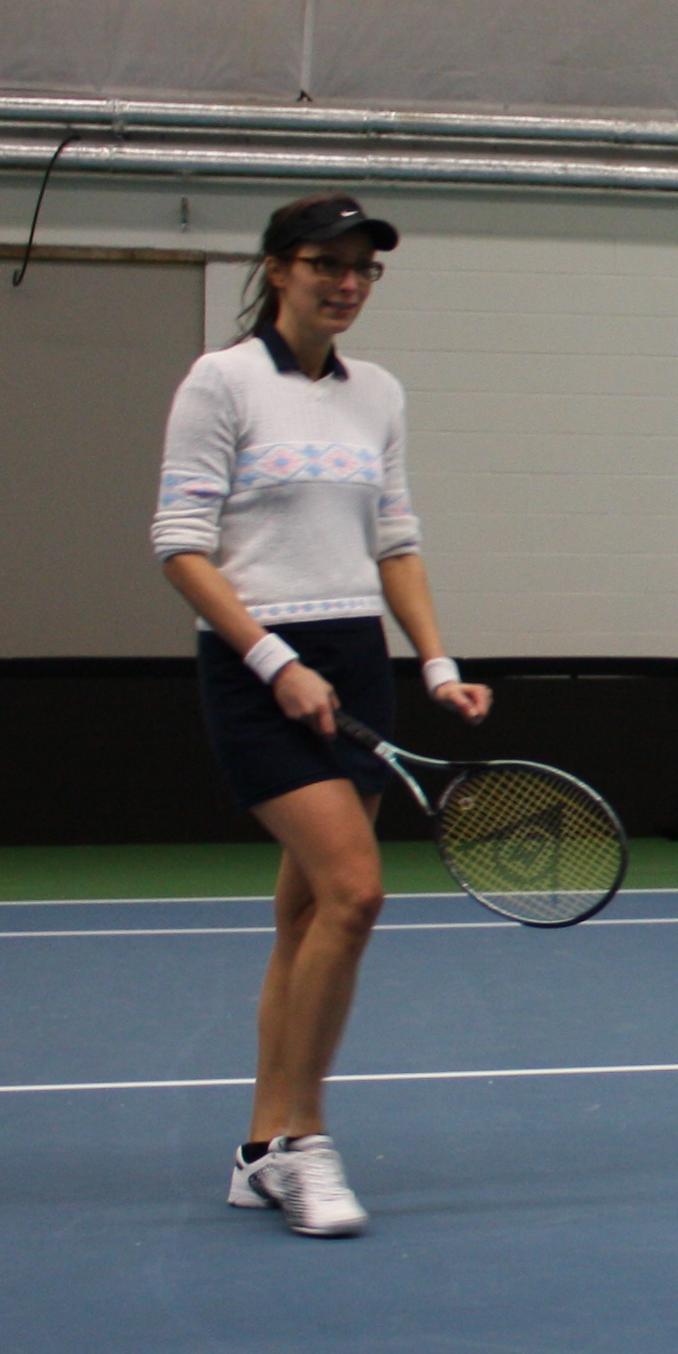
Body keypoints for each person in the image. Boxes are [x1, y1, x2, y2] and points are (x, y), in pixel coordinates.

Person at [152, 194, 494, 1240]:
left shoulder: (378, 392)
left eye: (363, 268)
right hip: (256, 666)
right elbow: (180, 546)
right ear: (277, 268)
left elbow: (396, 539)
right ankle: (307, 1143)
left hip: (357, 662)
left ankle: (261, 1151)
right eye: (325, 263)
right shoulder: (221, 381)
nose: (346, 283)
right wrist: (273, 661)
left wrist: (436, 663)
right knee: (356, 893)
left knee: (304, 920)